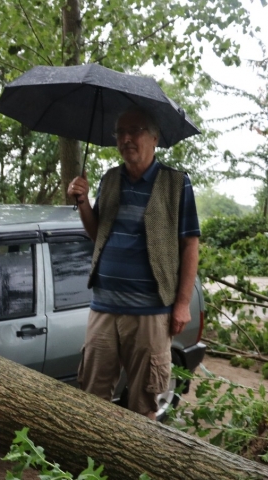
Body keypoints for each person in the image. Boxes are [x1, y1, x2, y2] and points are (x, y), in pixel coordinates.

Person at [66, 106, 200, 420]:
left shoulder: (177, 184)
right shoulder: (110, 180)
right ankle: (94, 465)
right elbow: (97, 233)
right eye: (120, 132)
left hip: (151, 312)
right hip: (104, 307)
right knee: (92, 398)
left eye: (135, 130)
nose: (126, 138)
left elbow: (190, 245)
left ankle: (135, 467)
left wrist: (182, 303)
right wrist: (83, 202)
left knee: (144, 403)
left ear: (154, 138)